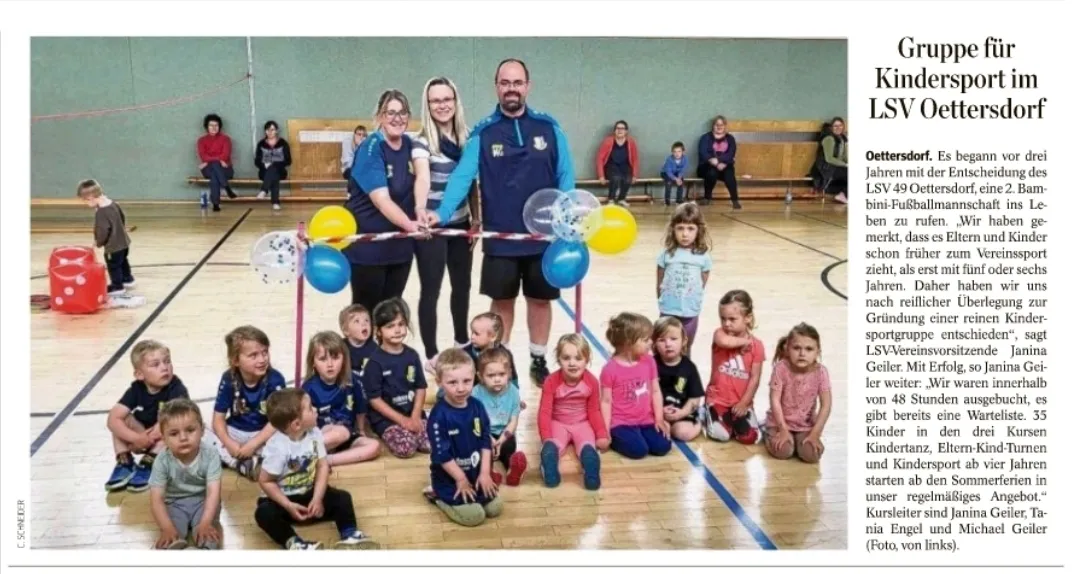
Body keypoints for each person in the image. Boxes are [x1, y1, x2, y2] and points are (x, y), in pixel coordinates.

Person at [428, 58, 576, 387]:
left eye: (517, 82)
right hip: (501, 238)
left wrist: (568, 217)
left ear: (528, 86)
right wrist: (441, 213)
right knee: (502, 303)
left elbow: (565, 176)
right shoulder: (483, 133)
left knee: (540, 300)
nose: (512, 89)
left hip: (544, 238)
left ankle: (538, 358)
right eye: (505, 83)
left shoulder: (550, 129)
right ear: (496, 87)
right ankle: (501, 361)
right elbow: (462, 178)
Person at [254, 388, 379, 550]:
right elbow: (266, 481)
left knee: (342, 498)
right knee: (263, 513)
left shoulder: (315, 433)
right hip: (283, 501)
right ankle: (295, 543)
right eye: (310, 408)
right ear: (296, 424)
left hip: (309, 493)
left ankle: (350, 534)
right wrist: (288, 505)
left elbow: (322, 465)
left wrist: (318, 498)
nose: (315, 409)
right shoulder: (277, 448)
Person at [412, 77, 479, 363]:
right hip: (432, 226)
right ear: (427, 105)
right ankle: (431, 354)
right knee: (431, 289)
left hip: (461, 224)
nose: (442, 105)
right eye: (435, 100)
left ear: (456, 101)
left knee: (462, 286)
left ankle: (462, 341)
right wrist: (420, 210)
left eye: (447, 99)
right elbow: (423, 178)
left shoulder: (469, 138)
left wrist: (477, 220)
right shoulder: (421, 141)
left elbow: (471, 182)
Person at [345, 90, 428, 313]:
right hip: (369, 249)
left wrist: (422, 212)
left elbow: (423, 179)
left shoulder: (410, 145)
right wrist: (411, 226)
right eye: (391, 113)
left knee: (391, 314)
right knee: (365, 314)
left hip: (399, 247)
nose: (397, 118)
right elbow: (382, 200)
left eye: (402, 113)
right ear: (381, 116)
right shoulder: (371, 147)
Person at [423, 348, 502, 527]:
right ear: (439, 382)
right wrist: (460, 479)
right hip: (451, 479)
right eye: (452, 382)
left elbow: (485, 441)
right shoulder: (438, 416)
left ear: (475, 377)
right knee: (475, 517)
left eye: (467, 381)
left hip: (475, 474)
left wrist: (485, 474)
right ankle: (437, 495)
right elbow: (442, 455)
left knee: (495, 508)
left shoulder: (477, 406)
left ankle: (473, 489)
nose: (461, 388)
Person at [104, 340, 190, 493]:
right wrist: (136, 438)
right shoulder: (136, 389)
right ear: (139, 374)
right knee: (121, 420)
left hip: (164, 438)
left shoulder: (176, 388)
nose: (164, 367)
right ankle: (125, 462)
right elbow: (113, 418)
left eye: (167, 361)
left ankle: (150, 463)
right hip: (143, 436)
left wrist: (148, 438)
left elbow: (170, 420)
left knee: (174, 426)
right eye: (155, 365)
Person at [206, 326, 287, 481]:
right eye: (253, 355)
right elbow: (218, 419)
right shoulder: (229, 379)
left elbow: (276, 422)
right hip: (235, 432)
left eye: (265, 352)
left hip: (263, 434)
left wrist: (253, 445)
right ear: (235, 360)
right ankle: (241, 463)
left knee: (287, 435)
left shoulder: (275, 379)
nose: (262, 359)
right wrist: (229, 444)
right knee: (201, 433)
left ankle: (237, 459)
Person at [148, 399, 223, 550]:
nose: (183, 438)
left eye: (190, 430)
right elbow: (157, 499)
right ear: (163, 438)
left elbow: (213, 493)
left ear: (202, 430)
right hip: (174, 504)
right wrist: (167, 529)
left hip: (204, 502)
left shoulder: (211, 455)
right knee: (170, 538)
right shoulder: (162, 461)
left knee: (209, 537)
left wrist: (206, 523)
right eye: (174, 433)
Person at [537, 334, 608, 490]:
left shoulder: (592, 382)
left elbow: (594, 411)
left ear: (587, 360)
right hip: (558, 423)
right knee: (553, 446)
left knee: (587, 446)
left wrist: (601, 433)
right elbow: (545, 411)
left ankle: (591, 467)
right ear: (558, 359)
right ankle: (548, 467)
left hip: (582, 423)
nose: (572, 363)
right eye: (566, 358)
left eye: (578, 358)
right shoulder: (551, 381)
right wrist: (546, 437)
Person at [362, 298, 430, 458]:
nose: (397, 330)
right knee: (406, 448)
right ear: (378, 331)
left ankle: (413, 431)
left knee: (432, 444)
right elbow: (374, 400)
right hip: (387, 420)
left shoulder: (412, 355)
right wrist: (403, 421)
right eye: (390, 326)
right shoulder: (374, 362)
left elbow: (420, 387)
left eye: (401, 324)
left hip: (413, 415)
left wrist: (415, 416)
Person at [301, 331, 381, 467]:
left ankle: (327, 460)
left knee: (374, 446)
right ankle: (301, 453)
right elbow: (304, 421)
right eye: (323, 359)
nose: (330, 364)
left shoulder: (353, 381)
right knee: (340, 433)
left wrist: (361, 430)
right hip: (322, 435)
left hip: (347, 434)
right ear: (313, 362)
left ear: (344, 358)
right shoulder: (308, 388)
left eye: (335, 358)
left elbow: (361, 408)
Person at [600, 313, 672, 460]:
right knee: (638, 450)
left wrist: (659, 419)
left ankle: (640, 434)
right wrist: (605, 431)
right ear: (628, 342)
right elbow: (606, 401)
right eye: (645, 340)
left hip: (646, 420)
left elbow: (655, 391)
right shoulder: (609, 369)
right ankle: (618, 438)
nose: (650, 342)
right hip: (621, 423)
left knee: (663, 446)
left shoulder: (649, 362)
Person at [703, 290, 765, 444]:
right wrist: (745, 342)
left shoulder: (757, 346)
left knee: (749, 437)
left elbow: (755, 378)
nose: (726, 324)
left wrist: (744, 403)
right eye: (723, 319)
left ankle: (737, 420)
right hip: (718, 399)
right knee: (721, 435)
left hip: (740, 401)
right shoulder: (719, 335)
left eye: (732, 319)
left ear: (747, 318)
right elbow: (725, 342)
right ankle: (709, 412)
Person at [764, 323, 832, 463]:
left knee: (812, 455)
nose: (802, 354)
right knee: (783, 451)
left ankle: (797, 441)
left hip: (804, 426)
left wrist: (815, 434)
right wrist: (783, 430)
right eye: (796, 348)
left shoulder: (821, 372)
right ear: (787, 349)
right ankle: (767, 432)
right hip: (779, 423)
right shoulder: (781, 368)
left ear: (817, 352)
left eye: (809, 349)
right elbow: (774, 400)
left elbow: (826, 405)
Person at [656, 202, 712, 350]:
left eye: (690, 228)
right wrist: (664, 303)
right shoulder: (666, 255)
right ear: (673, 229)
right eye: (680, 228)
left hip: (690, 313)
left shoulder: (703, 257)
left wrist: (690, 299)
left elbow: (702, 283)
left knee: (685, 349)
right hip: (667, 311)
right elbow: (659, 284)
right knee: (665, 349)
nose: (685, 234)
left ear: (699, 230)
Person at [470, 347, 527, 486]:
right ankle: (489, 472)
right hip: (483, 433)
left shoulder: (514, 392)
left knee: (509, 448)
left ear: (509, 373)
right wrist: (488, 438)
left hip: (504, 433)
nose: (497, 379)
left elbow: (513, 421)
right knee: (480, 450)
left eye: (501, 374)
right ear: (480, 376)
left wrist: (500, 441)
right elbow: (475, 421)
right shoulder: (475, 393)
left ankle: (512, 471)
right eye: (491, 376)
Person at [653, 317, 705, 442]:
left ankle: (699, 422)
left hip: (682, 411)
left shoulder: (689, 367)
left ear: (684, 341)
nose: (668, 344)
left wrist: (682, 413)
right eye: (662, 340)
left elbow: (695, 398)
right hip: (656, 413)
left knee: (682, 433)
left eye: (673, 339)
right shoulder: (650, 365)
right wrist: (658, 412)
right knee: (659, 433)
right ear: (654, 343)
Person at [77, 178, 133, 295]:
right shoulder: (112, 203)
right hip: (124, 241)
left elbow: (102, 230)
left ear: (91, 197)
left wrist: (98, 242)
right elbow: (122, 218)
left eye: (85, 201)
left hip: (113, 247)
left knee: (113, 265)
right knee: (123, 261)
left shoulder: (101, 212)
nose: (86, 204)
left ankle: (117, 287)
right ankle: (128, 279)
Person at [696, 115, 740, 209]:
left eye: (721, 124)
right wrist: (713, 161)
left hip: (725, 165)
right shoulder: (705, 137)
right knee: (712, 172)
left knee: (729, 175)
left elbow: (731, 154)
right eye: (717, 124)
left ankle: (735, 200)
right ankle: (707, 198)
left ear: (725, 126)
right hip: (707, 166)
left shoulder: (730, 138)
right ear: (713, 125)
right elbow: (703, 152)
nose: (719, 126)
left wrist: (720, 161)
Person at [196, 113, 236, 211]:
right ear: (206, 127)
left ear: (219, 126)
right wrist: (218, 160)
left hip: (225, 169)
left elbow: (225, 155)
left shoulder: (226, 139)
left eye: (216, 125)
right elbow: (203, 156)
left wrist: (208, 161)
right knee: (215, 166)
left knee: (215, 174)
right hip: (208, 170)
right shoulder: (201, 140)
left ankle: (216, 204)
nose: (214, 128)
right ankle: (226, 187)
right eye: (211, 125)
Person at [595, 120, 639, 207]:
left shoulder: (631, 142)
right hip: (611, 166)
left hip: (625, 166)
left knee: (628, 179)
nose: (620, 130)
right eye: (617, 128)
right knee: (616, 178)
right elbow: (599, 159)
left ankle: (621, 199)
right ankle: (611, 199)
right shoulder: (608, 141)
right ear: (614, 130)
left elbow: (635, 159)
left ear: (626, 131)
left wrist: (635, 175)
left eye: (622, 128)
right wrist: (601, 176)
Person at [255, 120, 292, 211]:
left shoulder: (283, 143)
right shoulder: (261, 144)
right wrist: (264, 165)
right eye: (268, 130)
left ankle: (264, 190)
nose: (270, 132)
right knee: (273, 175)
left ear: (276, 131)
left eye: (272, 130)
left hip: (280, 171)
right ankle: (275, 202)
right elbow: (257, 161)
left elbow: (288, 160)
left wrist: (275, 163)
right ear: (265, 131)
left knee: (274, 169)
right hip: (264, 171)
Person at [812, 116, 848, 204]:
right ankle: (844, 195)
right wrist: (845, 165)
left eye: (840, 125)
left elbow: (844, 157)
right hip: (826, 168)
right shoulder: (829, 139)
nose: (838, 128)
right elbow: (829, 158)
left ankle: (844, 194)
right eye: (835, 126)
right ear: (831, 128)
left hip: (836, 167)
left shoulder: (842, 139)